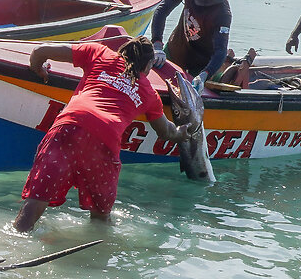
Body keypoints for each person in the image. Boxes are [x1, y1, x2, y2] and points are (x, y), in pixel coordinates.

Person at [12, 37, 195, 233]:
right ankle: (96, 256)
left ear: (121, 51)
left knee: (36, 200)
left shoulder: (99, 53)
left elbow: (40, 51)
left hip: (69, 127)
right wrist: (182, 133)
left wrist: (38, 69)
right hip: (104, 140)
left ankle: (13, 242)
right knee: (101, 214)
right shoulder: (149, 93)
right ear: (148, 65)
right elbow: (166, 132)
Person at [150, 0, 233, 91]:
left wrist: (205, 75)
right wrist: (157, 45)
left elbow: (220, 50)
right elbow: (162, 10)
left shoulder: (222, 13)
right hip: (174, 50)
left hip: (199, 65)